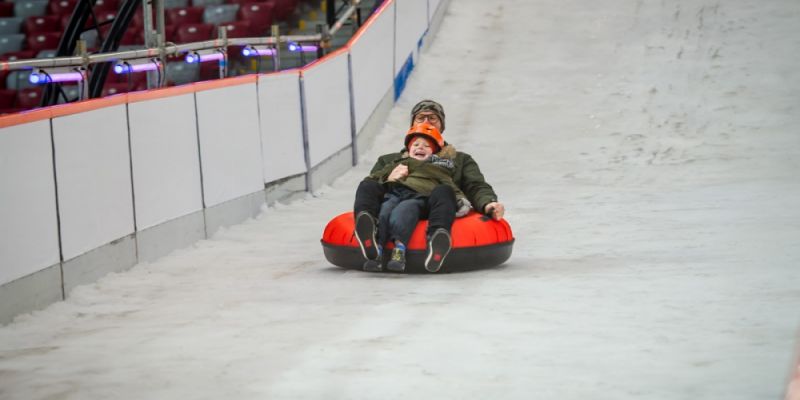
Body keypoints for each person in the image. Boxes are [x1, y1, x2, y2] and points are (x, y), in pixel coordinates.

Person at [353, 99, 505, 273]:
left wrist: (488, 203)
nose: (426, 122)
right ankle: (369, 232)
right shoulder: (390, 160)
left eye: (432, 118)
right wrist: (389, 175)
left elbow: (475, 185)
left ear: (441, 125)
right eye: (420, 118)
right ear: (412, 125)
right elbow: (374, 185)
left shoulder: (459, 160)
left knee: (444, 190)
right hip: (394, 201)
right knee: (367, 185)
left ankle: (437, 238)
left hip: (432, 204)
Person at [363, 122, 471, 272]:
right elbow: (376, 176)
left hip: (417, 196)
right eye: (416, 144)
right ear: (409, 149)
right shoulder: (398, 163)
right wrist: (390, 177)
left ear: (434, 153)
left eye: (426, 146)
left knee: (403, 213)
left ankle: (399, 251)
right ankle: (376, 251)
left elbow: (450, 186)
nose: (420, 147)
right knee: (385, 211)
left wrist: (461, 200)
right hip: (395, 192)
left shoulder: (437, 168)